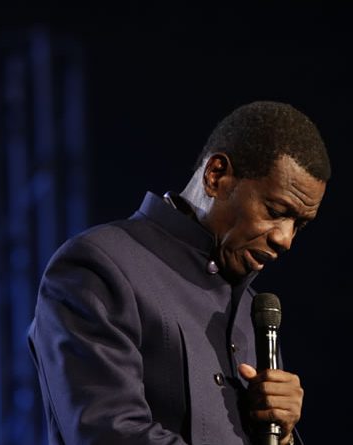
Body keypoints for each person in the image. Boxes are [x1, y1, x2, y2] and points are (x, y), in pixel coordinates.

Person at [27, 100, 331, 445]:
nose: (285, 239)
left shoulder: (251, 309)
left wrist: (284, 435)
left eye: (299, 225)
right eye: (275, 211)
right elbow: (108, 433)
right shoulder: (99, 265)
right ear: (216, 176)